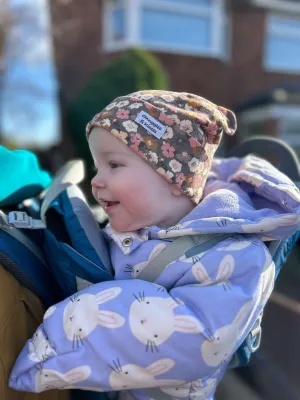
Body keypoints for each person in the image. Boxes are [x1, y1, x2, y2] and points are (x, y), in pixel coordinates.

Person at [9, 91, 300, 400]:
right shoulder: (137, 227)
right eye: (97, 167)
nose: (96, 181)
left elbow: (200, 340)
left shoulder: (237, 255)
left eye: (114, 165)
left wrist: (67, 332)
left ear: (175, 179)